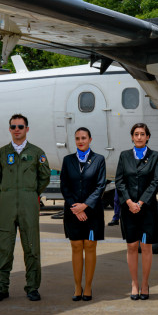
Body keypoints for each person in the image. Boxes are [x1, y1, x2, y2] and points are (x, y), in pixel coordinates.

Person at [0, 114, 51, 302]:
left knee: (32, 246)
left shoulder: (37, 153)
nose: (17, 129)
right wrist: (8, 193)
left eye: (21, 126)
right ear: (9, 129)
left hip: (28, 204)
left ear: (27, 129)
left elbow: (44, 177)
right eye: (14, 126)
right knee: (3, 247)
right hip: (7, 204)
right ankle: (1, 287)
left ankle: (32, 287)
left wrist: (30, 193)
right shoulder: (1, 153)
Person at [114, 123, 158, 300]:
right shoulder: (124, 156)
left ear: (147, 136)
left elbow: (155, 182)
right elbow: (119, 181)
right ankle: (134, 283)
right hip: (128, 209)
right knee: (132, 246)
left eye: (142, 134)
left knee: (146, 246)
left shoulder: (155, 156)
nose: (139, 137)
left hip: (147, 208)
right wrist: (128, 201)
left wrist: (140, 202)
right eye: (136, 134)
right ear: (132, 137)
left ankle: (145, 283)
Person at [59, 127, 107, 301]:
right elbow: (64, 185)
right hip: (73, 212)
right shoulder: (68, 160)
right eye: (78, 138)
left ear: (90, 139)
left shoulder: (99, 160)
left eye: (84, 138)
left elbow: (100, 186)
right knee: (76, 247)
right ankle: (77, 287)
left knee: (90, 246)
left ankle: (88, 286)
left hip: (92, 212)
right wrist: (75, 207)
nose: (80, 141)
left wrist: (85, 206)